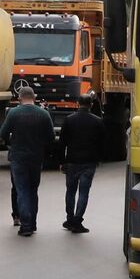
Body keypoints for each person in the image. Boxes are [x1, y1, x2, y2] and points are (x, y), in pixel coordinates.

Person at [0, 87, 54, 236]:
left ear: (20, 98)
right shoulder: (44, 114)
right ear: (33, 98)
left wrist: (12, 143)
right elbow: (51, 138)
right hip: (36, 157)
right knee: (33, 190)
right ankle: (33, 223)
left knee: (22, 190)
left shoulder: (13, 113)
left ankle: (26, 225)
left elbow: (2, 134)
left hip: (18, 157)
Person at [57, 93, 106, 233]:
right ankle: (78, 220)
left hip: (72, 161)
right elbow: (102, 143)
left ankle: (69, 218)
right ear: (91, 105)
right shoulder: (97, 121)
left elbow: (62, 143)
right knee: (84, 192)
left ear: (78, 104)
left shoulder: (69, 120)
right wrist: (98, 159)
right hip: (89, 162)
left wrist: (61, 161)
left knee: (70, 191)